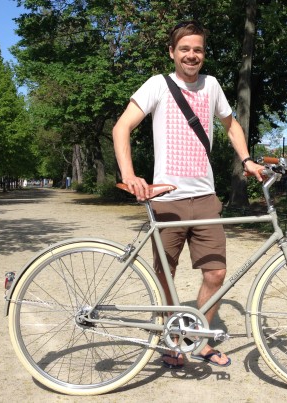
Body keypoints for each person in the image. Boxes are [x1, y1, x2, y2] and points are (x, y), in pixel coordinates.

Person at [112, 20, 263, 369]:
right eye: (184, 49)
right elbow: (122, 127)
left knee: (216, 274)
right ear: (172, 52)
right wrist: (129, 175)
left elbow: (231, 125)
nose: (191, 55)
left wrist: (247, 159)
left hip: (206, 197)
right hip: (167, 199)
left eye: (197, 49)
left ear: (203, 54)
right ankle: (172, 340)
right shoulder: (157, 85)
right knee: (164, 276)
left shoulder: (212, 86)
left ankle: (199, 340)